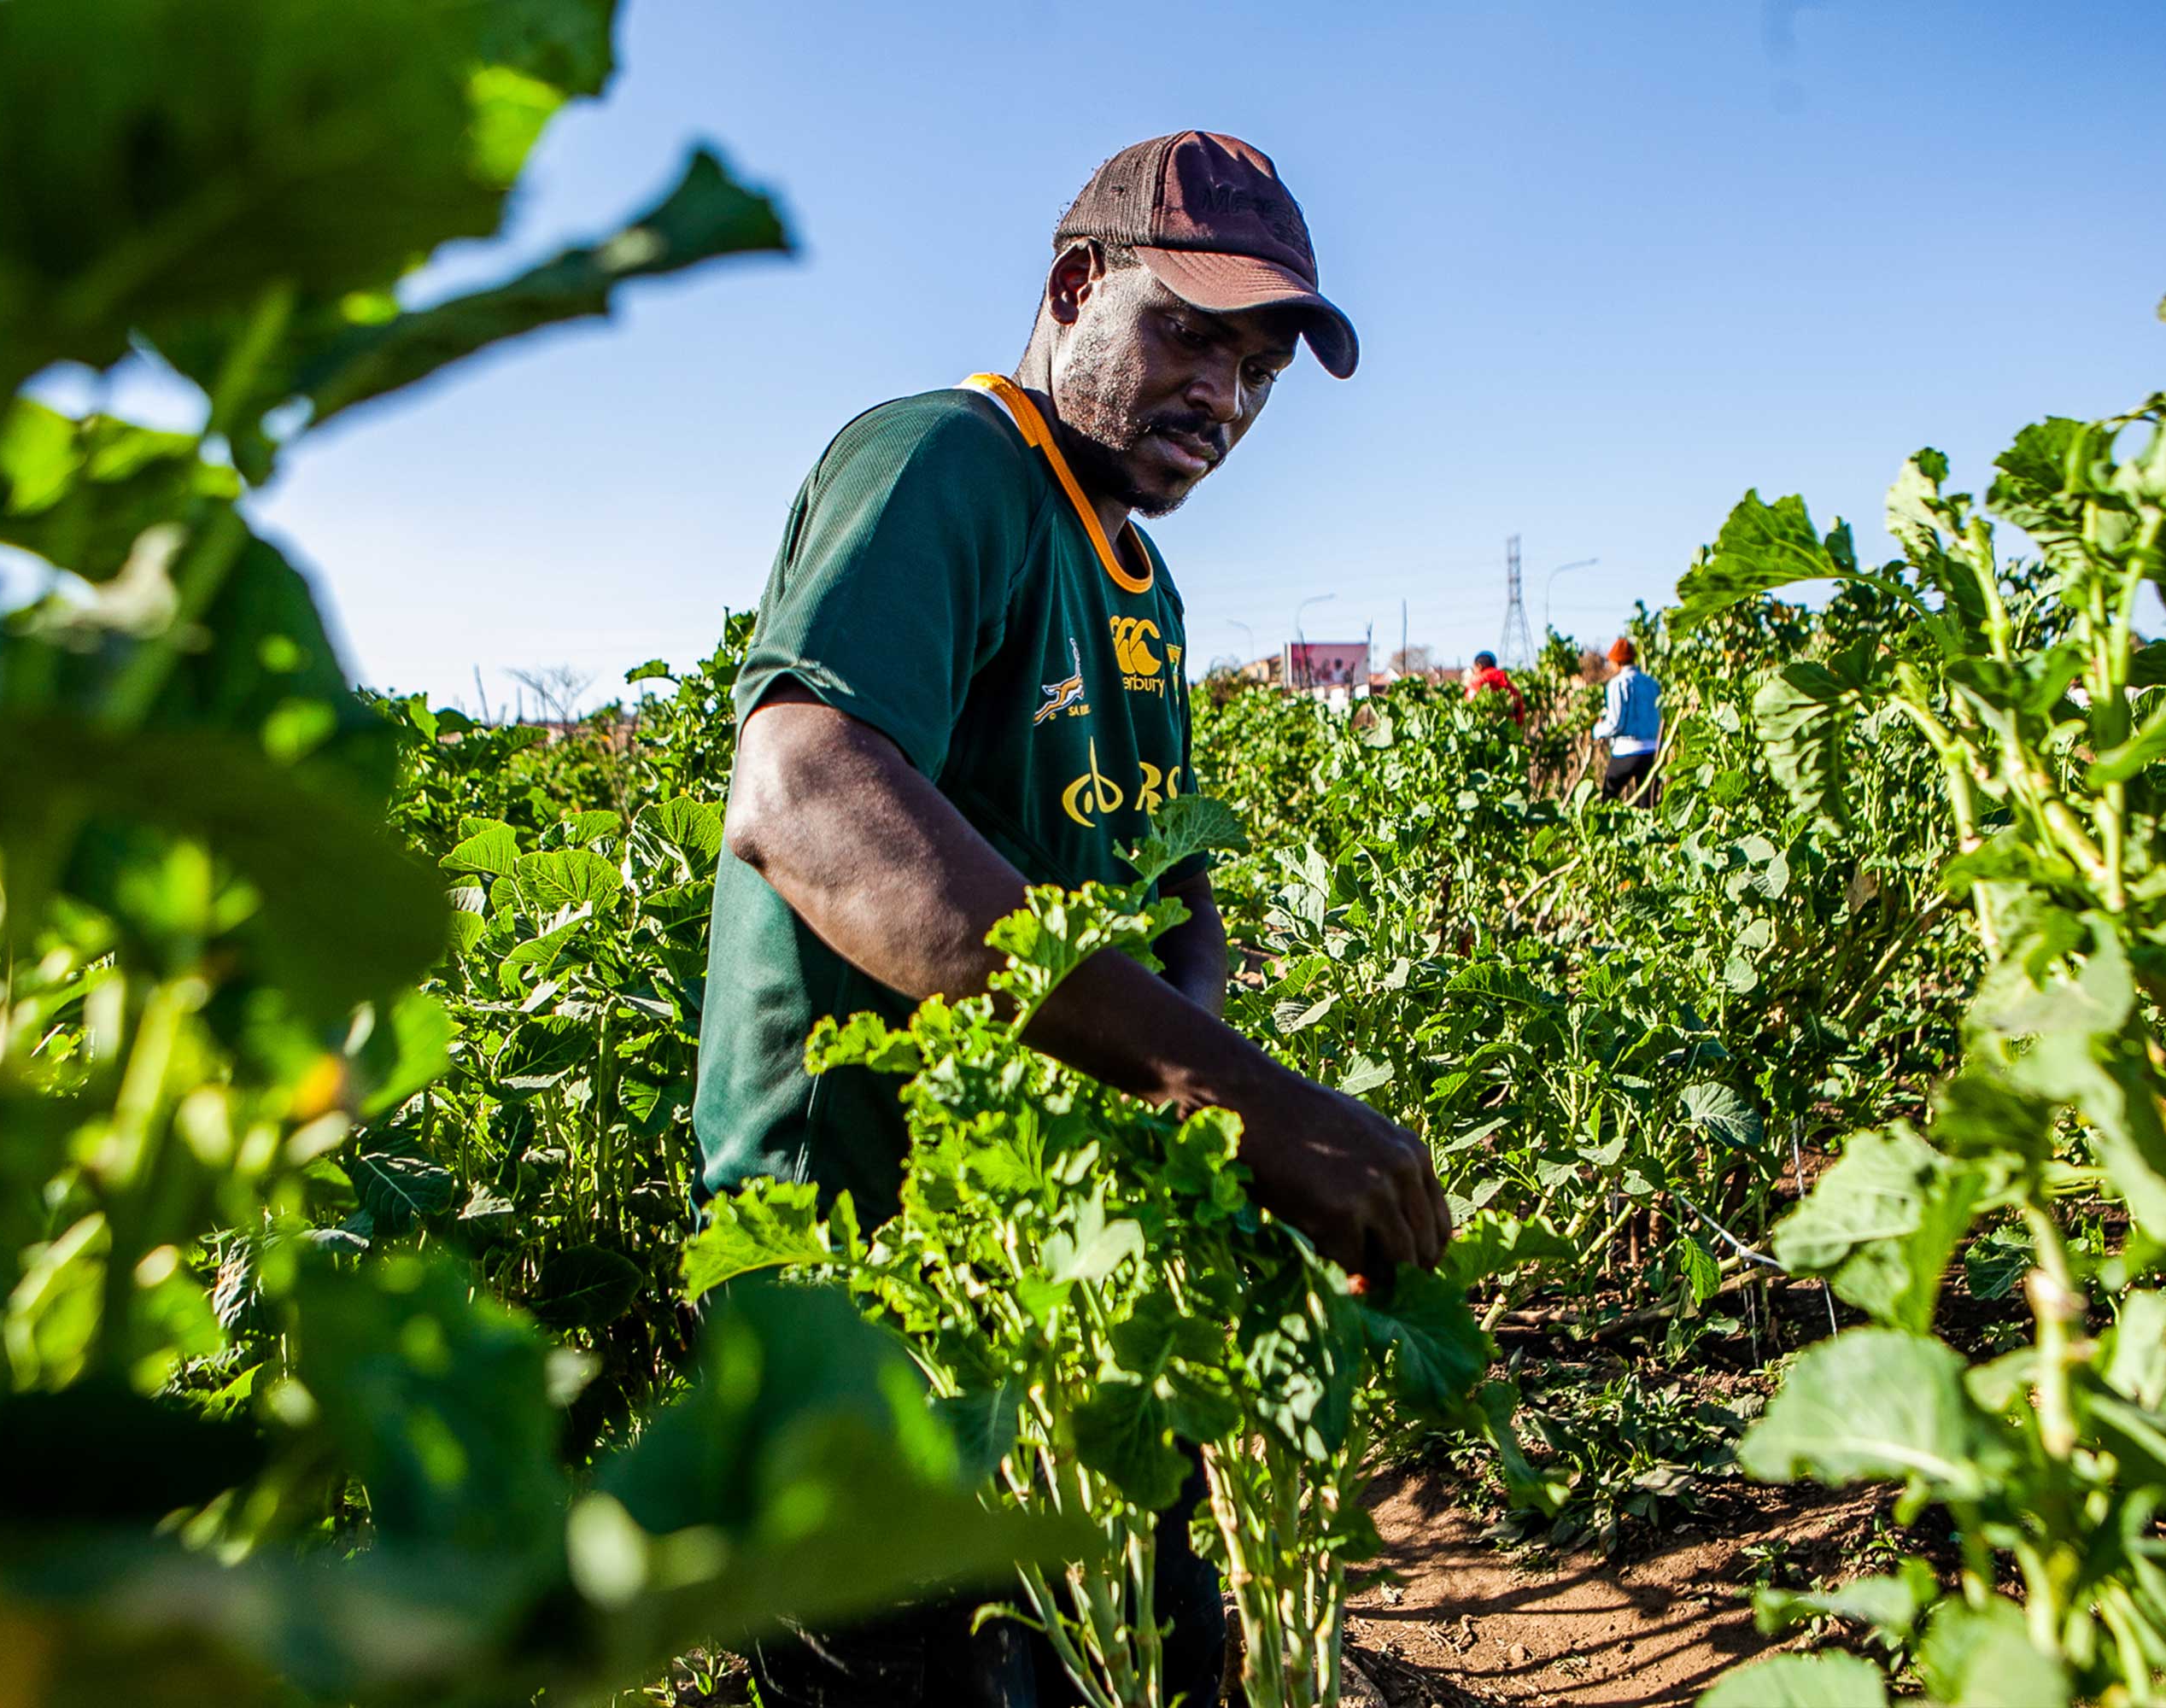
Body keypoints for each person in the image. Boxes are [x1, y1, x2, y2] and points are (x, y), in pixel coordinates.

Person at [694, 132, 1450, 1708]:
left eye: (1257, 369)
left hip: (1065, 1271)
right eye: (1186, 332)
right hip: (874, 1272)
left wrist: (1219, 1136)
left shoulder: (1137, 580)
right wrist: (1238, 1103)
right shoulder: (942, 466)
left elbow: (1169, 887)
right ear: (1070, 288)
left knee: (1148, 1648)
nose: (1222, 400)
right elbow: (805, 788)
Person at [1593, 636, 1661, 801]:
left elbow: (1616, 724)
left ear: (1618, 662)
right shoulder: (1652, 683)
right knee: (1648, 806)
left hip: (1627, 750)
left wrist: (1598, 730)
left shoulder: (1618, 684)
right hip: (1651, 751)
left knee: (1607, 801)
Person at [1462, 649, 1529, 726]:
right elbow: (1519, 710)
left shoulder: (1477, 681)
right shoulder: (1505, 681)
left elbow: (1468, 703)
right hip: (1505, 729)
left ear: (1479, 666)